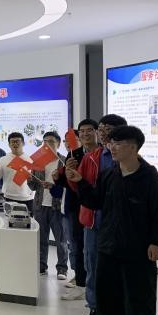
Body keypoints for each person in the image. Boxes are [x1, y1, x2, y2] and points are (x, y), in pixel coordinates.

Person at [67, 125, 158, 315]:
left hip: (139, 247)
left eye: (118, 143)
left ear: (134, 147)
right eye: (111, 143)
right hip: (109, 243)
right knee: (108, 290)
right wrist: (80, 182)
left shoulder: (150, 177)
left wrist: (156, 242)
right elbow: (95, 201)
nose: (112, 148)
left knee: (140, 293)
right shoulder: (110, 175)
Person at [67, 114, 127, 315]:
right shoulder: (91, 157)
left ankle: (121, 314)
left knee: (119, 269)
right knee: (92, 266)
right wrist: (72, 176)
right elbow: (80, 189)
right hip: (93, 221)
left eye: (106, 129)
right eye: (100, 129)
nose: (102, 133)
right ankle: (95, 310)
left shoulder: (129, 159)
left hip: (121, 224)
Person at [53, 120, 97, 301]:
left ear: (97, 132)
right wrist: (59, 176)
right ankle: (81, 283)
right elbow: (67, 181)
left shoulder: (103, 154)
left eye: (89, 130)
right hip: (76, 206)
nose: (85, 134)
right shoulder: (74, 154)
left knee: (92, 250)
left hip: (97, 206)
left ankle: (93, 284)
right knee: (78, 246)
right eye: (82, 131)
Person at [33, 131, 67, 278]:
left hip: (58, 206)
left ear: (58, 143)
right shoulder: (38, 162)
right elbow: (33, 186)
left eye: (51, 141)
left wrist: (53, 186)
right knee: (41, 238)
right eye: (45, 142)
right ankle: (42, 265)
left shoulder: (64, 161)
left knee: (61, 240)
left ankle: (62, 269)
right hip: (40, 205)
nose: (47, 144)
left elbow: (69, 186)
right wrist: (29, 177)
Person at [0, 132, 34, 214]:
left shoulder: (31, 160)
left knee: (27, 221)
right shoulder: (3, 160)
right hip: (9, 197)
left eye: (18, 141)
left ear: (23, 143)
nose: (15, 144)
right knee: (9, 221)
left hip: (27, 198)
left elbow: (35, 181)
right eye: (12, 142)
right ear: (9, 145)